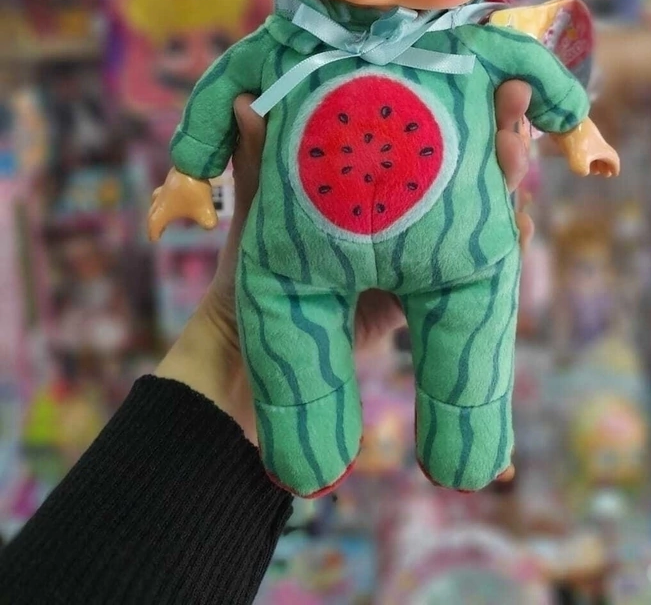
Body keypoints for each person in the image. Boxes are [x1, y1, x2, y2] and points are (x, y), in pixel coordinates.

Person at [0, 82, 533, 605]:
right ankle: (434, 442)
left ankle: (464, 439)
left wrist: (571, 120)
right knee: (463, 292)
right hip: (305, 258)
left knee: (467, 299)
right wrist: (192, 170)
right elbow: (226, 83)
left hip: (393, 232)